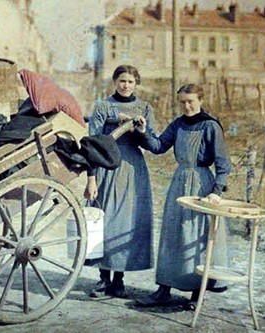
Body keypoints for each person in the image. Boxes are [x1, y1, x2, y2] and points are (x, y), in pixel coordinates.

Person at [134, 83, 232, 306]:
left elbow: (223, 163)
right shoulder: (178, 124)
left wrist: (216, 191)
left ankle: (197, 293)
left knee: (197, 237)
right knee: (173, 234)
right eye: (182, 102)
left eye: (191, 101)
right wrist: (142, 132)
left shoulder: (210, 126)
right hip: (179, 183)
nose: (187, 106)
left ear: (201, 101)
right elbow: (158, 146)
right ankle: (163, 289)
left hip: (201, 186)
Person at [84, 65, 155, 298]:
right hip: (106, 166)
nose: (126, 85)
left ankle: (119, 280)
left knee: (125, 223)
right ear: (115, 82)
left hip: (133, 170)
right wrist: (91, 178)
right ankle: (103, 278)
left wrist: (143, 131)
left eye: (131, 82)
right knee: (104, 222)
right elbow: (92, 144)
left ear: (136, 84)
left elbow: (150, 144)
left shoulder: (144, 107)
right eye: (122, 80)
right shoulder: (103, 107)